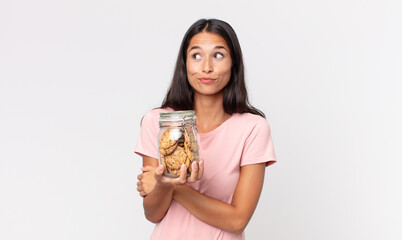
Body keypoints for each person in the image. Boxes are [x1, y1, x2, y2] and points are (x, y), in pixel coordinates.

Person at [135, 18, 276, 240]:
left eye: (218, 55)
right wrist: (163, 186)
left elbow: (237, 220)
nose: (207, 67)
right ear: (185, 63)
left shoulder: (252, 128)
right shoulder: (159, 121)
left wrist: (173, 186)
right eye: (196, 55)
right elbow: (153, 213)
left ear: (233, 63)